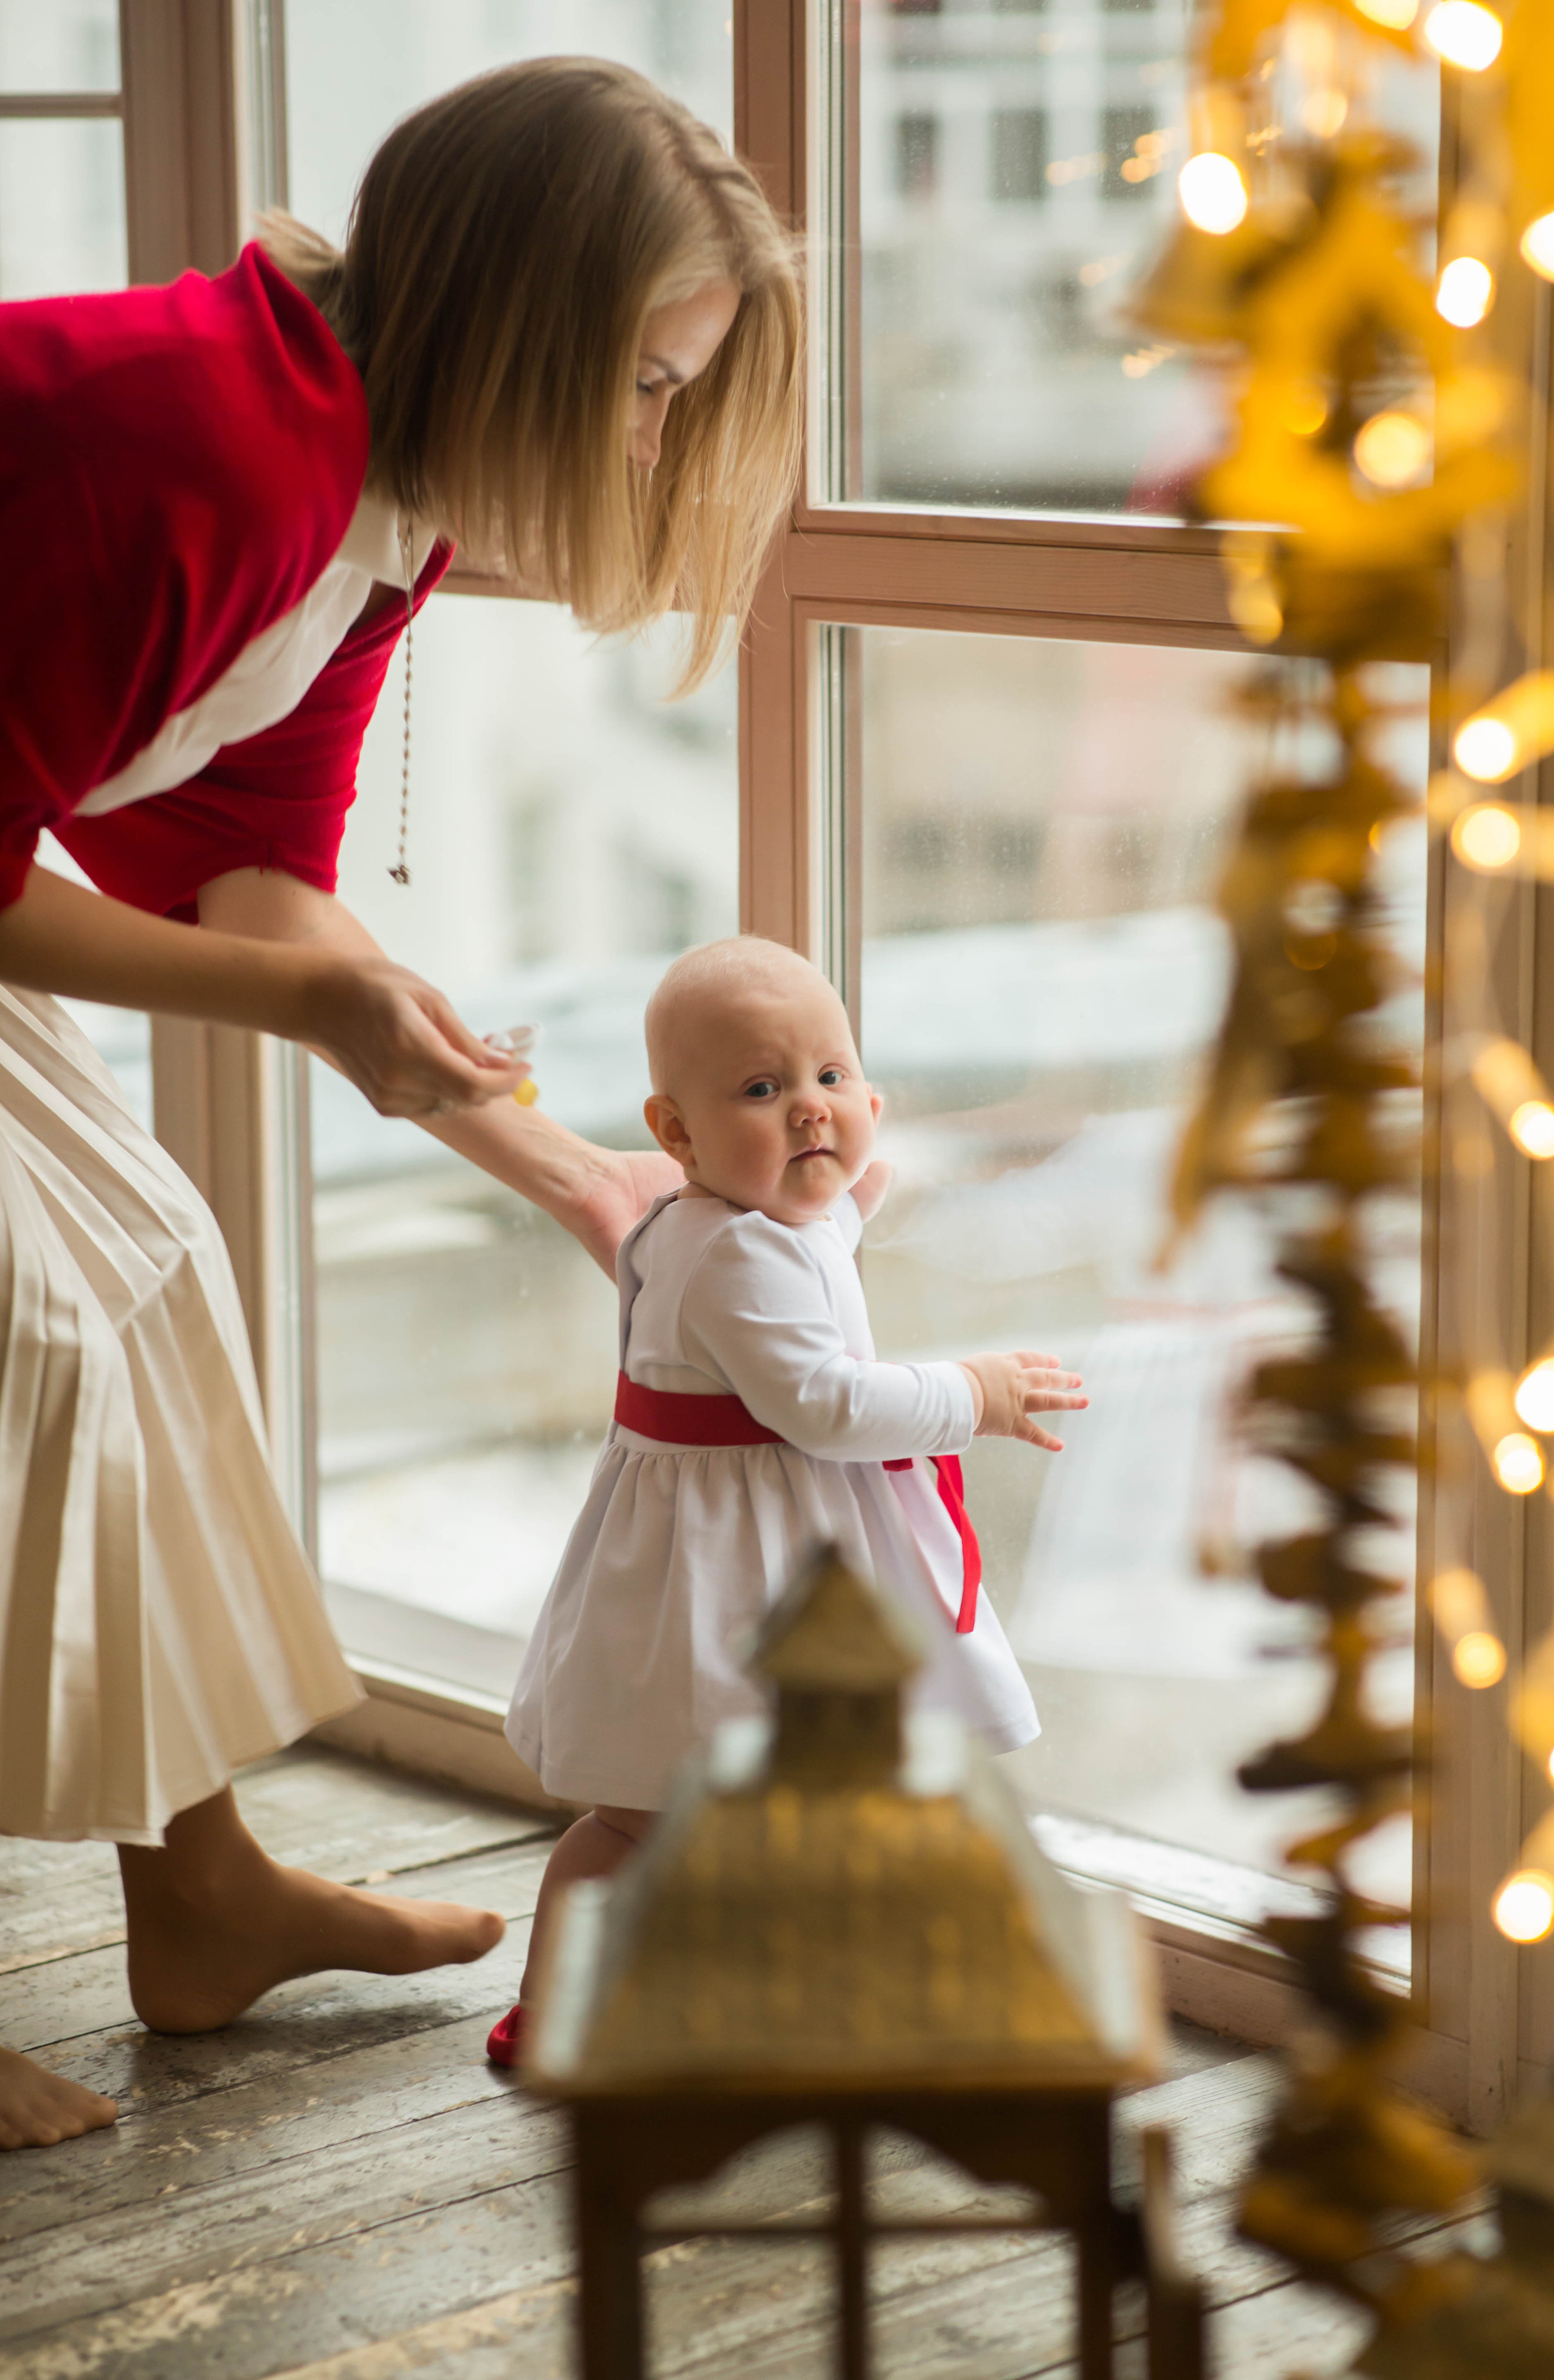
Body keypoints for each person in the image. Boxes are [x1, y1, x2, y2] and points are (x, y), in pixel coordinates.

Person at [0, 59, 801, 2151]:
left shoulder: (377, 515)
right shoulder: (197, 441)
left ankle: (200, 1894)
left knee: (145, 1273)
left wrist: (571, 1173)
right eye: (642, 384)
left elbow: (258, 876)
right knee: (24, 1336)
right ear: (516, 321)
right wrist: (315, 1011)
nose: (654, 440)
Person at [489, 937, 1086, 2066]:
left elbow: (791, 1255)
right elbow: (823, 1403)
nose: (810, 1111)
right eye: (763, 1091)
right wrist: (975, 1394)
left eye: (829, 1078)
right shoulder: (734, 1258)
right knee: (659, 1818)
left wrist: (851, 1208)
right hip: (734, 1578)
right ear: (675, 1133)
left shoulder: (726, 1225)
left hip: (734, 1550)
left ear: (870, 1093)